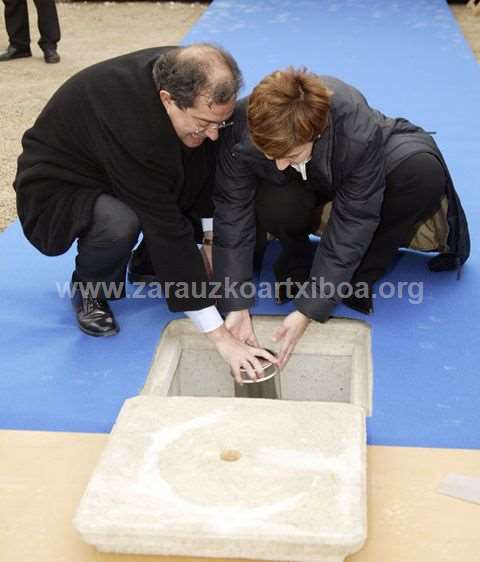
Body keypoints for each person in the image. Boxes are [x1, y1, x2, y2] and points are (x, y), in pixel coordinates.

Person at [13, 44, 276, 381]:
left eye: (219, 124)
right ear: (168, 99)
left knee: (193, 158)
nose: (212, 134)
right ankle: (92, 288)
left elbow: (207, 171)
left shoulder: (190, 78)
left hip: (125, 165)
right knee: (120, 221)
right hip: (64, 180)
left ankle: (144, 263)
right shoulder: (132, 122)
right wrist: (220, 337)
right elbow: (165, 226)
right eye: (203, 123)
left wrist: (212, 240)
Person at [213, 68, 470, 368]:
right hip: (306, 180)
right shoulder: (244, 125)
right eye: (271, 155)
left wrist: (310, 309)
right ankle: (295, 261)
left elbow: (355, 218)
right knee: (275, 199)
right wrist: (236, 304)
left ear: (315, 133)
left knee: (422, 173)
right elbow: (232, 213)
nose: (280, 165)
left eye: (290, 156)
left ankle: (355, 280)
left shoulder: (357, 130)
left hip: (358, 164)